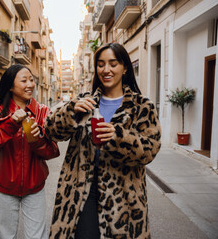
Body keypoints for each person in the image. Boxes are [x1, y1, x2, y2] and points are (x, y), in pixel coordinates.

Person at [45, 43, 161, 238]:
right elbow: (51, 131)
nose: (106, 70)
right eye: (101, 64)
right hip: (81, 191)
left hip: (124, 198)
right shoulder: (85, 101)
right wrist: (71, 111)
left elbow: (150, 150)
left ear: (125, 68)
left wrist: (118, 137)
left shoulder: (142, 106)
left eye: (113, 64)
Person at [0, 64, 60, 239]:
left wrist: (37, 141)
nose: (30, 84)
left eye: (31, 80)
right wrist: (11, 124)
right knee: (4, 235)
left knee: (37, 236)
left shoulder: (43, 112)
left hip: (35, 186)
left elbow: (53, 151)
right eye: (24, 80)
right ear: (10, 86)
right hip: (4, 186)